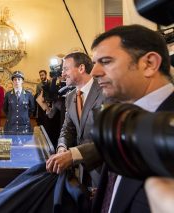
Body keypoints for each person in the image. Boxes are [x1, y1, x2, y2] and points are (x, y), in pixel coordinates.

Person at [90, 24, 174, 212]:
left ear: (149, 64)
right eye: (95, 62)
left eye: (106, 61)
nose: (94, 72)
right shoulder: (122, 119)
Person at [46, 52, 105, 189]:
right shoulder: (70, 96)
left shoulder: (104, 91)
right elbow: (67, 128)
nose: (63, 73)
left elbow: (107, 138)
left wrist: (72, 155)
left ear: (81, 68)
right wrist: (61, 148)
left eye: (66, 69)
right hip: (82, 171)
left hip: (102, 169)